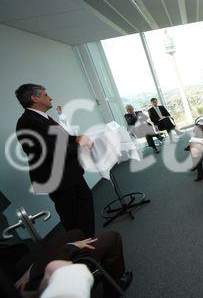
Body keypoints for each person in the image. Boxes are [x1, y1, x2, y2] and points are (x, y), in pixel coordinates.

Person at [15, 84, 95, 238]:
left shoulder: (42, 118)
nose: (50, 97)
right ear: (35, 98)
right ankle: (81, 254)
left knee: (85, 215)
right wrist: (81, 145)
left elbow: (62, 139)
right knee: (74, 221)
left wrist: (78, 138)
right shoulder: (28, 122)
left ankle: (91, 249)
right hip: (60, 181)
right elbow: (52, 151)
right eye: (46, 95)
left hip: (70, 175)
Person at [1, 230, 132, 298]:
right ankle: (112, 293)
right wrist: (70, 247)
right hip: (27, 284)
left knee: (76, 233)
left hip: (16, 270)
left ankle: (89, 272)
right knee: (112, 238)